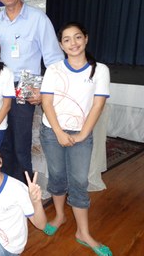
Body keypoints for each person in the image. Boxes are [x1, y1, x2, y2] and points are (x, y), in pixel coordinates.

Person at [40, 22, 112, 256]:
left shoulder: (99, 70)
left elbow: (98, 104)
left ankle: (83, 232)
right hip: (52, 132)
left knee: (79, 180)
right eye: (67, 39)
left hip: (82, 133)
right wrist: (59, 132)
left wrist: (82, 134)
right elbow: (47, 103)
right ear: (61, 45)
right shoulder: (53, 69)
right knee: (58, 175)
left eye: (78, 37)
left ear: (86, 39)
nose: (73, 43)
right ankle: (60, 215)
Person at [0, 0, 64, 183]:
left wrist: (44, 90)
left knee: (21, 145)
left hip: (25, 87)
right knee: (3, 141)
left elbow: (54, 60)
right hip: (0, 86)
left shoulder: (38, 19)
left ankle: (25, 191)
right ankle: (7, 187)